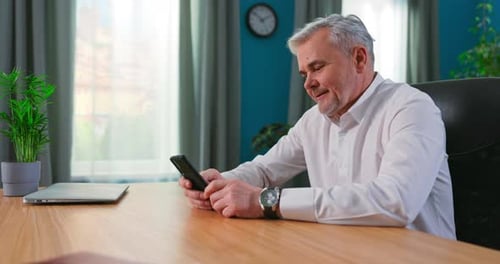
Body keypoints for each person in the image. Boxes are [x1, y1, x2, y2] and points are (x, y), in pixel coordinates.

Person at [179, 14, 456, 240]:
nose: (308, 83)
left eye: (317, 67)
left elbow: (395, 201)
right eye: (304, 73)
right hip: (342, 251)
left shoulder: (411, 108)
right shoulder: (315, 120)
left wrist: (267, 201)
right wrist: (220, 184)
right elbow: (265, 170)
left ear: (359, 59)